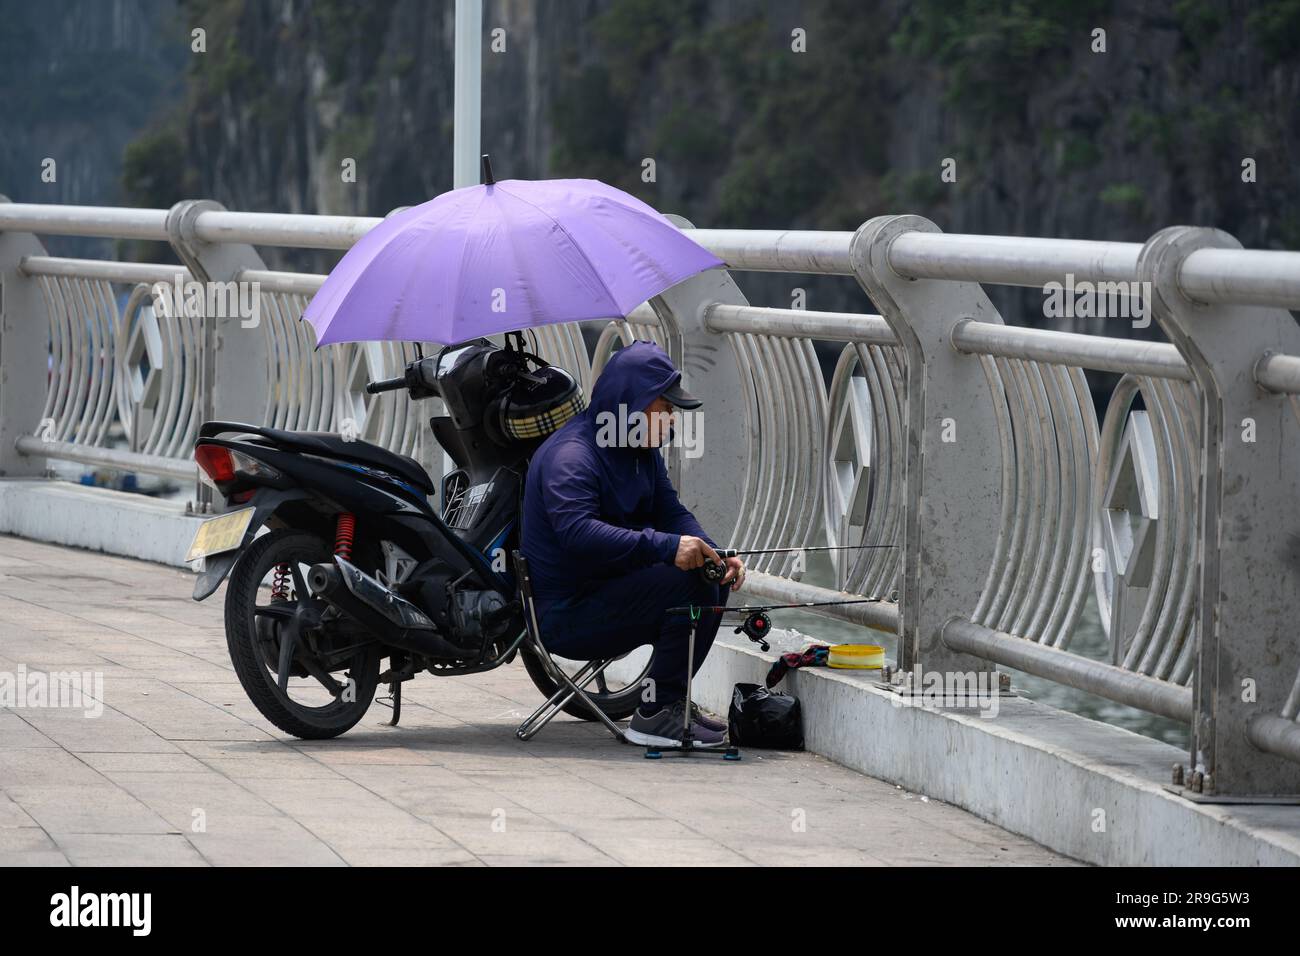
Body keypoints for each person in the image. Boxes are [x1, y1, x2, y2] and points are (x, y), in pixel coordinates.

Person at [521, 341, 745, 748]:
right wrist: (666, 548)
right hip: (566, 616)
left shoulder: (641, 451)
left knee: (709, 575)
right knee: (691, 585)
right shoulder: (572, 457)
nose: (673, 421)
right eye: (666, 409)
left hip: (610, 594)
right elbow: (578, 533)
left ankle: (667, 701)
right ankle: (657, 713)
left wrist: (714, 552)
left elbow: (671, 511)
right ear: (632, 404)